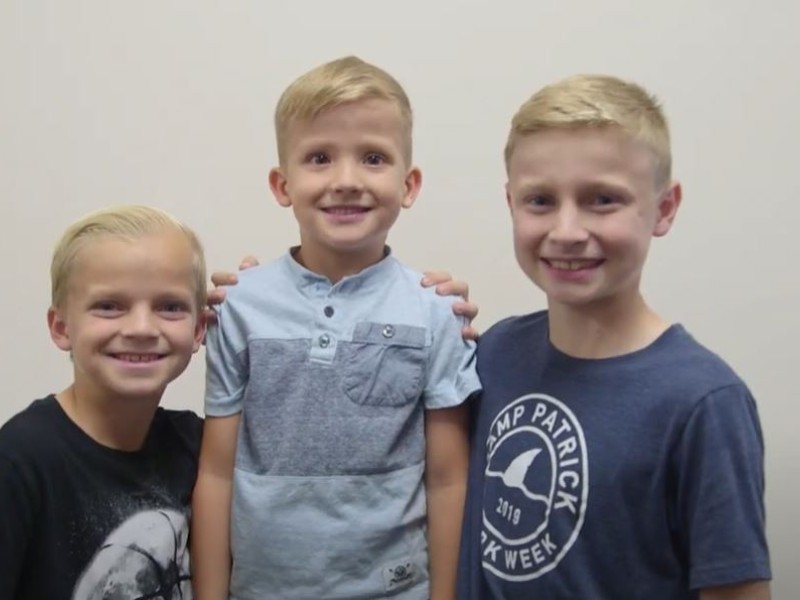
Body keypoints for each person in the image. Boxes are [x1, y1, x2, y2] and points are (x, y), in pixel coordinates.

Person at [457, 74, 771, 599]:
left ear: (664, 209)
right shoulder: (493, 353)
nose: (567, 230)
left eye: (602, 199)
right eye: (540, 201)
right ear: (510, 203)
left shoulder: (705, 403)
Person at [191, 56, 482, 600]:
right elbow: (217, 474)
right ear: (282, 184)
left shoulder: (434, 310)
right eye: (320, 158)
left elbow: (448, 479)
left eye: (373, 158)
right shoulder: (240, 306)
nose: (346, 181)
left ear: (409, 183)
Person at [0, 205, 208, 600]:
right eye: (109, 306)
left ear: (199, 328)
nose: (142, 329)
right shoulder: (20, 460)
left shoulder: (198, 447)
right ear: (61, 328)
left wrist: (264, 314)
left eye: (170, 306)